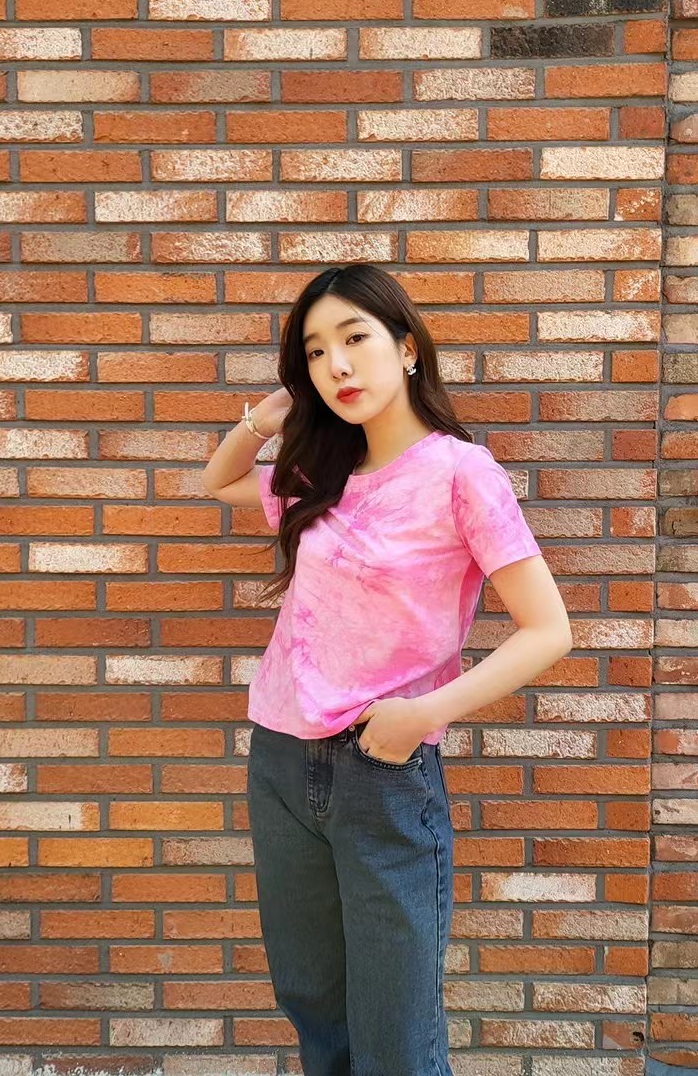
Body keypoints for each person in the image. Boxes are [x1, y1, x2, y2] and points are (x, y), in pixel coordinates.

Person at [201, 264, 572, 1076]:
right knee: (316, 1011)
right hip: (280, 759)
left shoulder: (461, 473)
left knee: (395, 1039)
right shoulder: (320, 474)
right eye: (315, 351)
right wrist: (266, 415)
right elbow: (219, 480)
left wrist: (420, 714)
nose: (335, 365)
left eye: (355, 338)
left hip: (383, 769)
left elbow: (549, 630)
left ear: (407, 348)